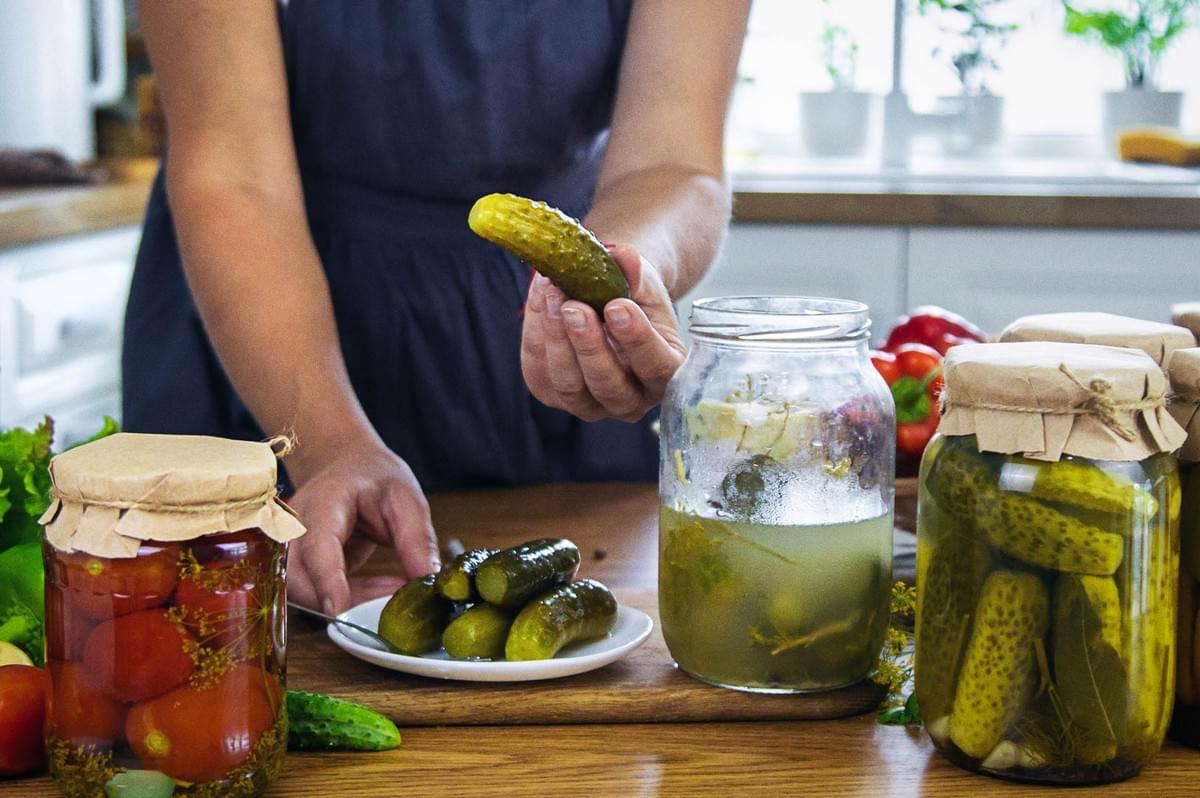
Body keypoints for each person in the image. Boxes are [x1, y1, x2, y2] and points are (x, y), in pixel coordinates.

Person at [126, 1, 749, 614]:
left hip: (538, 331)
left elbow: (674, 164)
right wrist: (328, 445)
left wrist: (615, 273)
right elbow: (235, 170)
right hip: (270, 320)